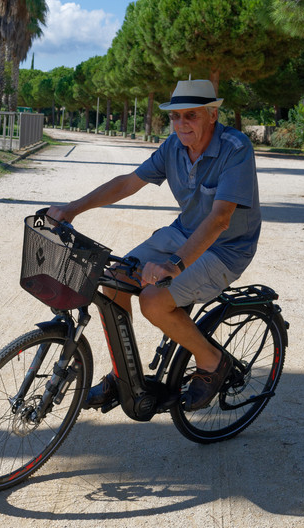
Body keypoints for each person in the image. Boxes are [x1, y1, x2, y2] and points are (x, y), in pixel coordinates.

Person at [47, 79, 261, 411]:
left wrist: (174, 264)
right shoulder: (173, 146)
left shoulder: (236, 148)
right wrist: (71, 209)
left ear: (212, 115)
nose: (181, 124)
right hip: (183, 232)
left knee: (154, 300)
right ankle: (126, 376)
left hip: (226, 248)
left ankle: (212, 361)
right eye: (175, 117)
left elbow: (220, 220)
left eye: (190, 115)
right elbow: (128, 184)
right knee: (115, 282)